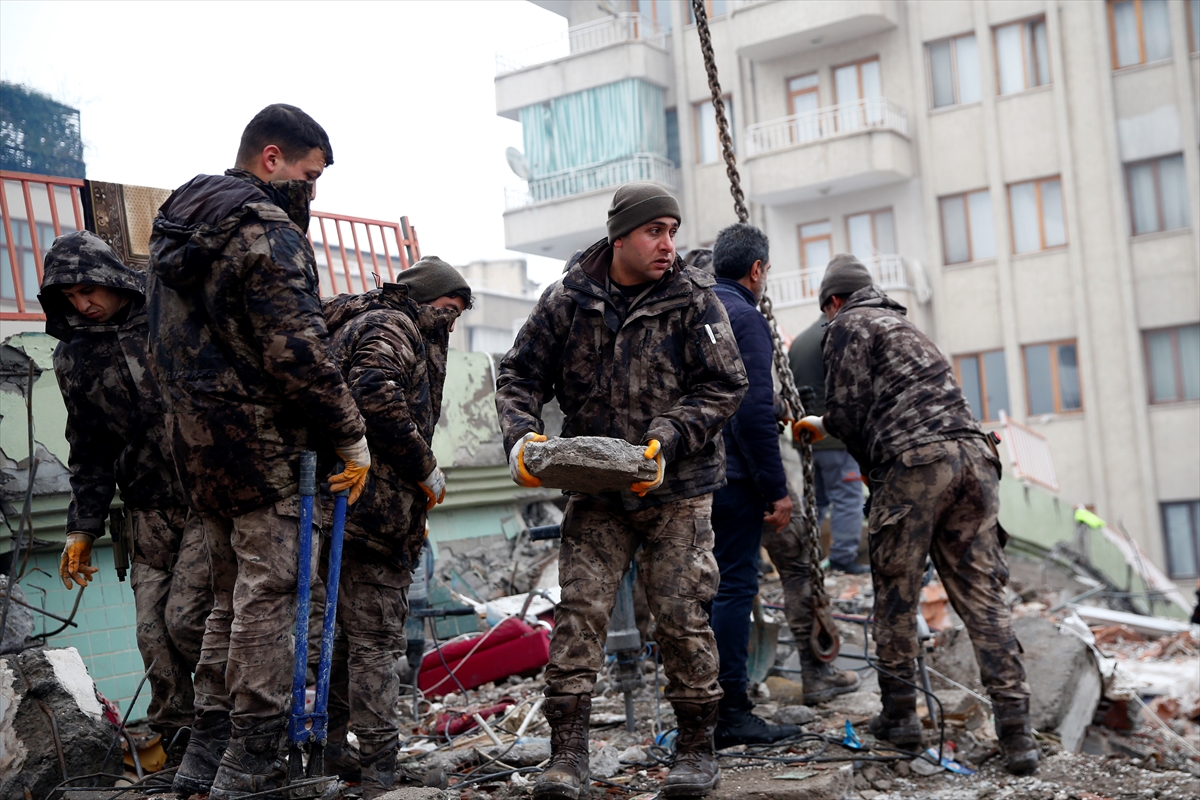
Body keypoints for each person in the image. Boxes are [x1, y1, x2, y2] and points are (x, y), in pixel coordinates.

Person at [146, 103, 370, 799]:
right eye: (310, 175)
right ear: (270, 158)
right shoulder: (266, 232)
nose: (313, 193)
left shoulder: (176, 227)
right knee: (269, 598)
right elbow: (297, 352)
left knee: (226, 600)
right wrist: (350, 436)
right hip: (264, 449)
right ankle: (253, 762)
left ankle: (205, 755)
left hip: (197, 448)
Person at [496, 182, 748, 800]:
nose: (668, 244)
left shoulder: (695, 301)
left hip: (676, 488)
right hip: (596, 490)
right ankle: (567, 757)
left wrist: (668, 436)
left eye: (672, 230)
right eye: (654, 231)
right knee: (579, 614)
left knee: (682, 615)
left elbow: (725, 384)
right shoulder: (567, 301)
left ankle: (694, 752)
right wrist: (523, 441)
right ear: (619, 237)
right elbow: (519, 373)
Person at [793, 255, 1038, 775]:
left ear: (832, 302)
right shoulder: (907, 326)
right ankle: (1019, 738)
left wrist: (817, 425)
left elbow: (849, 411)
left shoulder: (847, 325)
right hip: (976, 458)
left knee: (898, 595)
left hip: (917, 466)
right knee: (983, 598)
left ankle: (902, 719)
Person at [41, 231, 213, 764]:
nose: (83, 304)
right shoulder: (73, 357)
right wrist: (81, 528)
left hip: (208, 497)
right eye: (68, 297)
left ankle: (229, 730)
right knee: (151, 635)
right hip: (145, 511)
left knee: (189, 619)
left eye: (89, 289)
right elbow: (88, 450)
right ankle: (181, 743)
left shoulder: (172, 312)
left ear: (113, 277)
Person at [318, 257, 471, 798]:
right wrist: (422, 464)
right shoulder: (393, 325)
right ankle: (380, 772)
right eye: (448, 310)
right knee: (377, 644)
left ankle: (330, 751)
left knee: (339, 640)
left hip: (340, 506)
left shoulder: (365, 320)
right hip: (370, 510)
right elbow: (377, 394)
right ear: (424, 300)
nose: (450, 323)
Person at [706, 223, 799, 747]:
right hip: (735, 480)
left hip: (685, 478)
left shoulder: (690, 313)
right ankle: (732, 712)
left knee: (696, 593)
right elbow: (753, 414)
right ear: (757, 270)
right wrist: (776, 489)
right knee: (735, 588)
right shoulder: (745, 318)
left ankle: (699, 713)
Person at [789, 317, 868, 574]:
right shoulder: (836, 336)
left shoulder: (800, 341)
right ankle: (843, 558)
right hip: (834, 437)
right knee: (848, 497)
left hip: (806, 436)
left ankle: (801, 554)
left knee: (816, 500)